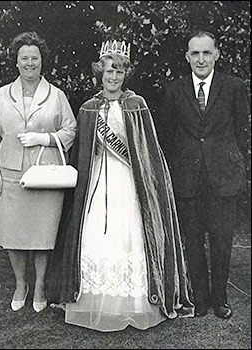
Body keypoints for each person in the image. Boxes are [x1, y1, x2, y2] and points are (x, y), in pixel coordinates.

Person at [49, 39, 194, 332]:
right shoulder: (89, 109)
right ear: (100, 73)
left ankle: (135, 302)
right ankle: (93, 298)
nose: (113, 77)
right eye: (108, 72)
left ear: (125, 74)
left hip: (130, 181)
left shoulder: (136, 104)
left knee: (130, 236)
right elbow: (83, 152)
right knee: (95, 235)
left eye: (119, 72)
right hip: (99, 182)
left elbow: (147, 151)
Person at [0, 31, 76, 313]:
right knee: (12, 235)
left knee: (42, 235)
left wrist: (44, 138)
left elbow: (70, 129)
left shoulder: (56, 95)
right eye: (24, 58)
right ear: (16, 61)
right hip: (11, 177)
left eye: (34, 58)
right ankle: (20, 284)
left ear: (41, 61)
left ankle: (39, 286)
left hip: (45, 177)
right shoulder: (2, 95)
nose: (29, 63)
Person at [160, 31, 249, 319]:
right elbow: (167, 135)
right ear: (187, 56)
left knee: (222, 240)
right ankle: (199, 297)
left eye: (206, 53)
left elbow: (241, 132)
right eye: (195, 53)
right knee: (194, 240)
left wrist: (232, 162)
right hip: (188, 177)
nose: (201, 59)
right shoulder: (174, 90)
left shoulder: (233, 87)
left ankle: (220, 298)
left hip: (223, 177)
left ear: (216, 54)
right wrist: (180, 166)